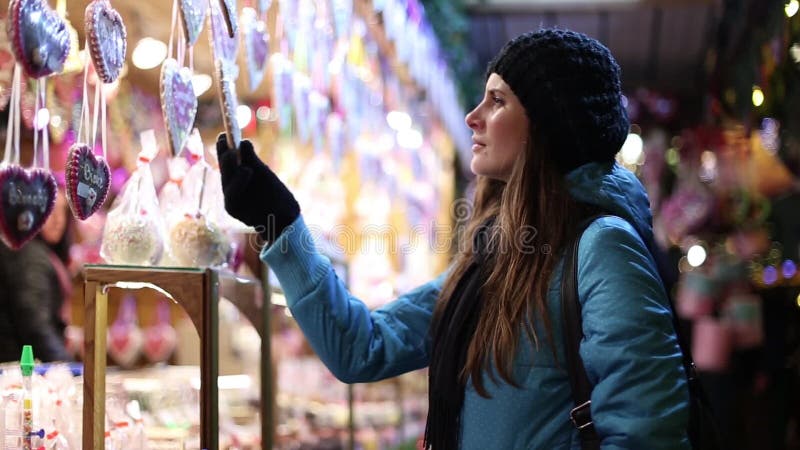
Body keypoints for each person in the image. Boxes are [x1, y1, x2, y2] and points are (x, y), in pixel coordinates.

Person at [217, 28, 690, 449]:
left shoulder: (603, 246)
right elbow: (362, 347)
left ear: (547, 124)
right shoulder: (497, 255)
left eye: (498, 101)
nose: (472, 116)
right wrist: (278, 221)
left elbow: (648, 433)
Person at [0, 190, 73, 363]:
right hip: (20, 368)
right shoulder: (30, 254)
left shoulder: (35, 251)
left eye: (63, 211)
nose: (58, 220)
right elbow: (35, 324)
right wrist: (67, 366)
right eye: (50, 211)